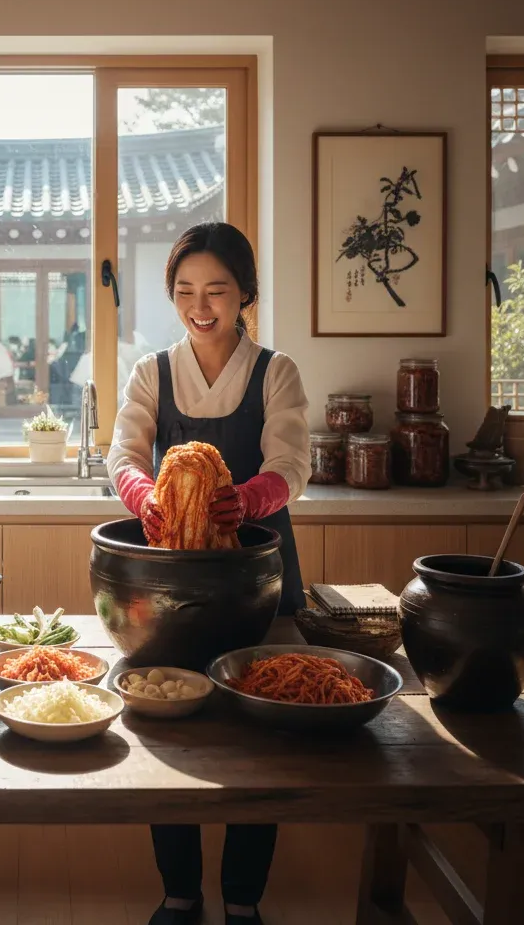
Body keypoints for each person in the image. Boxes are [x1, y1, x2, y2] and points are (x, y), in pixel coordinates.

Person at [106, 222, 310, 925]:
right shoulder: (152, 372)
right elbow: (124, 455)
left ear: (244, 293)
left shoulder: (273, 371)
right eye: (186, 290)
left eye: (216, 290)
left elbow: (291, 464)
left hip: (261, 573)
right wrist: (145, 497)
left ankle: (245, 897)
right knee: (175, 720)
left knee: (265, 727)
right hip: (178, 574)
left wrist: (247, 499)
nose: (200, 304)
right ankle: (181, 891)